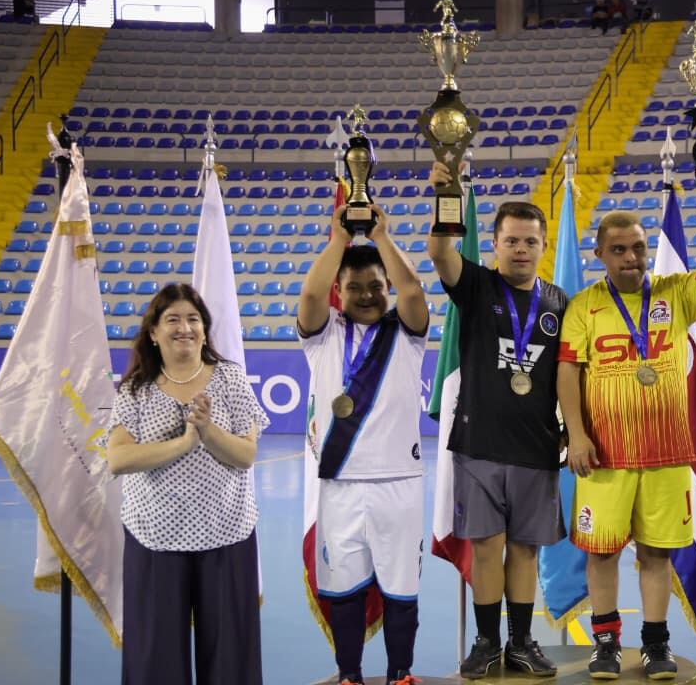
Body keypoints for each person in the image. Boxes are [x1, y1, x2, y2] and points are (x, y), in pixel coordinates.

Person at [558, 207, 696, 679]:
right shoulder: (583, 306)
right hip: (605, 457)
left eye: (638, 248)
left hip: (667, 454)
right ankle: (606, 643)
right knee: (602, 553)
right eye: (618, 250)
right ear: (600, 253)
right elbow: (568, 372)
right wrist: (576, 434)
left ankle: (656, 643)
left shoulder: (674, 292)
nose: (631, 258)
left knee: (656, 554)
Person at [426, 162, 568, 679]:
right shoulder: (477, 285)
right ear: (494, 244)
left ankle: (521, 643)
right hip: (479, 446)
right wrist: (446, 193)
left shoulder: (559, 303)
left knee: (525, 551)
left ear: (543, 245)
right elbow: (440, 252)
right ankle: (487, 643)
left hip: (536, 448)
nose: (521, 249)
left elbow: (569, 376)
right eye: (511, 240)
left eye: (530, 241)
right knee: (487, 549)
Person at [106, 283, 269, 685]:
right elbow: (119, 459)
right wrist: (183, 444)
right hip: (155, 539)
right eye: (173, 319)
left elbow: (245, 454)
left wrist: (207, 431)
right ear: (154, 332)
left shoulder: (230, 379)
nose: (185, 328)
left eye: (193, 319)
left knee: (231, 656)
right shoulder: (136, 389)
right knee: (154, 657)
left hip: (227, 535)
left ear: (205, 329)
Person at [296, 201, 429, 685]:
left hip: (399, 483)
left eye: (376, 286)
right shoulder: (323, 335)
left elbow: (413, 291)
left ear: (386, 286)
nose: (368, 295)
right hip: (341, 487)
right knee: (343, 589)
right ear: (341, 291)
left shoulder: (408, 332)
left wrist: (382, 237)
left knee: (401, 589)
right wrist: (339, 241)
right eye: (355, 287)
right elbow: (311, 294)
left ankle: (401, 674)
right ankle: (349, 674)